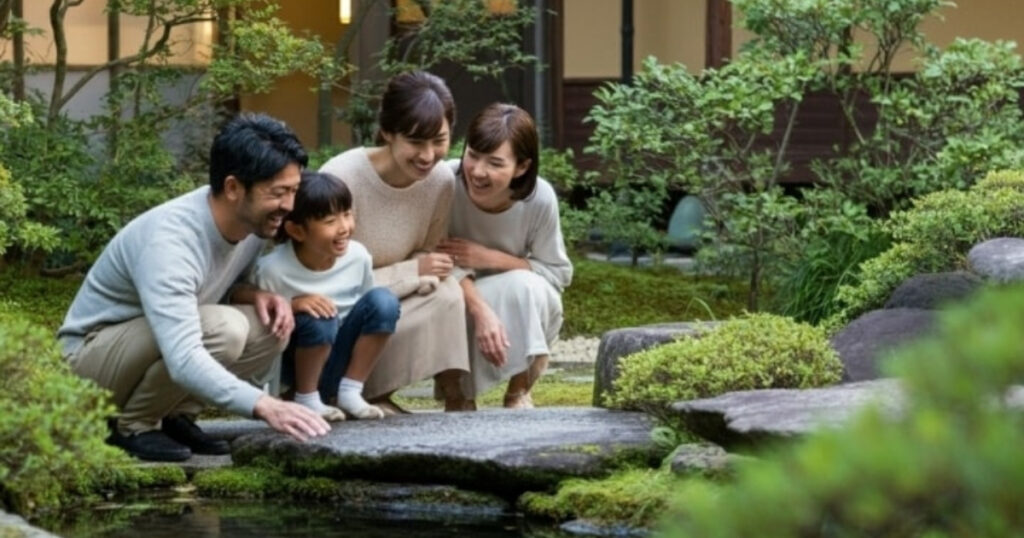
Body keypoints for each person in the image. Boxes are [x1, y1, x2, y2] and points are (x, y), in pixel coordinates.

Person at [57, 113, 331, 462]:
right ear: (233, 188)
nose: (289, 206)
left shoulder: (250, 224)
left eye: (293, 190)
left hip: (144, 347)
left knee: (271, 326)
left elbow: (217, 284)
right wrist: (264, 405)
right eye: (278, 193)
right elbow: (184, 355)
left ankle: (176, 415)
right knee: (225, 329)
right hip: (85, 368)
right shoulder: (171, 241)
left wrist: (254, 294)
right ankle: (132, 425)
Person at [319, 70, 469, 412]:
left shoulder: (441, 180)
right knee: (384, 304)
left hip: (391, 296)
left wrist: (423, 270)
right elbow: (326, 278)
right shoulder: (342, 177)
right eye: (416, 142)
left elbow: (426, 248)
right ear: (388, 132)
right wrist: (412, 271)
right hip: (338, 310)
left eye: (439, 141)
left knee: (449, 293)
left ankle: (450, 394)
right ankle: (342, 389)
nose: (428, 155)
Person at [438, 103, 573, 409]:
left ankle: (518, 391)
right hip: (455, 294)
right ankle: (457, 397)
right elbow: (433, 260)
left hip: (514, 297)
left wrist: (490, 258)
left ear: (522, 167)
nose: (478, 171)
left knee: (530, 288)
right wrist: (480, 309)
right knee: (440, 298)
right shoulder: (444, 183)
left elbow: (558, 274)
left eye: (495, 163)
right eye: (473, 155)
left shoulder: (539, 199)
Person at [250, 171, 400, 421]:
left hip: (338, 357)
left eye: (347, 214)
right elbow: (263, 335)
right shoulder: (272, 269)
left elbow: (367, 310)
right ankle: (306, 398)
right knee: (320, 316)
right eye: (330, 221)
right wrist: (294, 305)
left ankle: (350, 391)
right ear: (297, 231)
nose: (344, 228)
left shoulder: (358, 256)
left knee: (384, 301)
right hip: (295, 366)